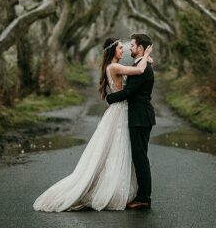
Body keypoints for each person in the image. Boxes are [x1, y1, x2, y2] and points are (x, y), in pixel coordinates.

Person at [32, 37, 153, 212]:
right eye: (121, 48)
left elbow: (136, 75)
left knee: (118, 150)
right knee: (117, 150)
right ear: (113, 51)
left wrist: (146, 59)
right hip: (120, 111)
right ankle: (118, 190)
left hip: (121, 112)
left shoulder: (112, 67)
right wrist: (146, 56)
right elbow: (139, 72)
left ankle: (129, 191)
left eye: (127, 46)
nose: (124, 50)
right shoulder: (114, 67)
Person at [105, 33, 155, 210]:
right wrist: (147, 58)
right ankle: (141, 195)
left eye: (132, 45)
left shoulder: (143, 67)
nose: (129, 48)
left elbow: (128, 92)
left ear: (141, 48)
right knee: (138, 157)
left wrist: (110, 99)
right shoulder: (140, 64)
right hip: (138, 117)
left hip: (140, 118)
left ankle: (144, 198)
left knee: (140, 158)